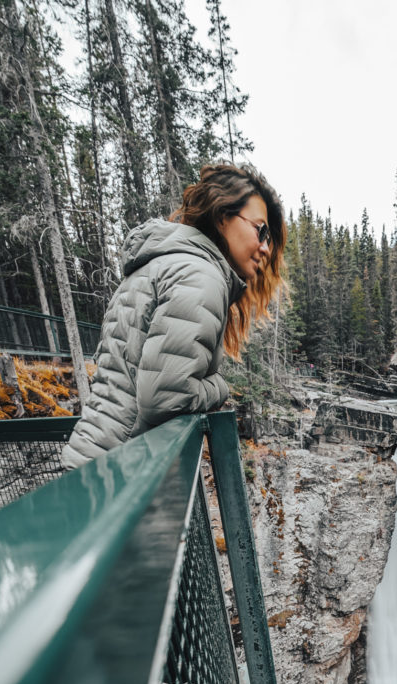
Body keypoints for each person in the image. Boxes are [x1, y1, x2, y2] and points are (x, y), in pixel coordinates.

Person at [62, 162, 286, 469]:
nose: (265, 248)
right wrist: (219, 387)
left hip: (91, 458)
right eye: (260, 231)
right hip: (118, 475)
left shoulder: (162, 264)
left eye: (269, 240)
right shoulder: (200, 276)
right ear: (223, 217)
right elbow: (165, 399)